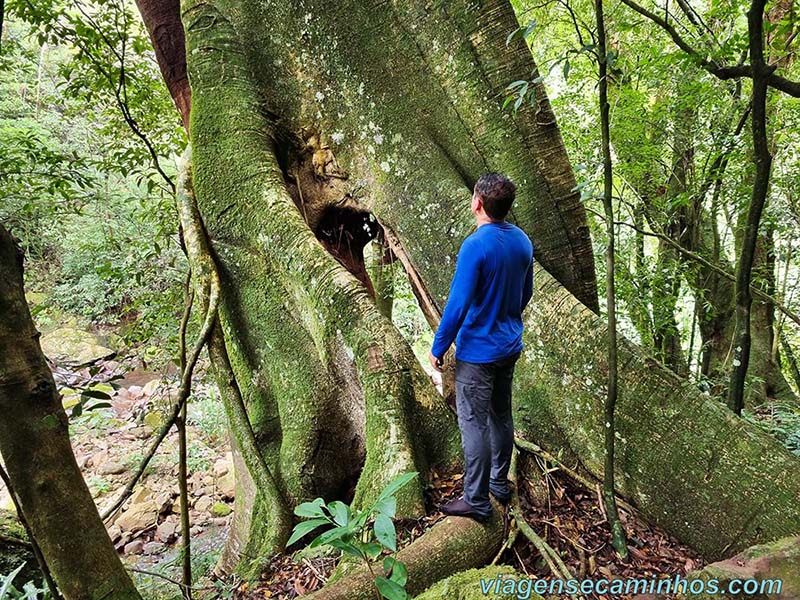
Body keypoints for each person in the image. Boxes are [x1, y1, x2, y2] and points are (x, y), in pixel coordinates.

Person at [428, 172, 534, 523]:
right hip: (508, 345)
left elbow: (457, 305)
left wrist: (438, 347)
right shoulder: (521, 241)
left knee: (473, 422)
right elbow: (526, 294)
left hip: (477, 353)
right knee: (501, 416)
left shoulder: (475, 246)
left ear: (477, 203)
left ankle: (476, 498)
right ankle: (499, 483)